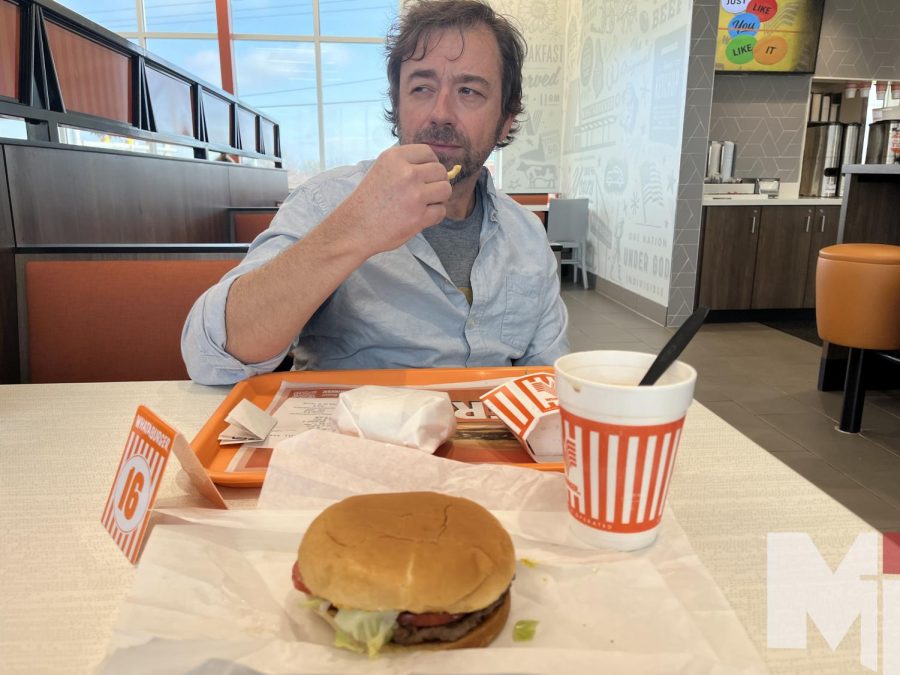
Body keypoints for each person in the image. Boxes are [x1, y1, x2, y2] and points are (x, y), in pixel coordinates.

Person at [181, 0, 569, 386]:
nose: (440, 113)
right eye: (421, 87)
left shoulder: (527, 236)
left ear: (505, 121)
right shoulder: (326, 201)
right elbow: (210, 357)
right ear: (397, 105)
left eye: (469, 91)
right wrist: (355, 227)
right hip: (351, 438)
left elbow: (550, 380)